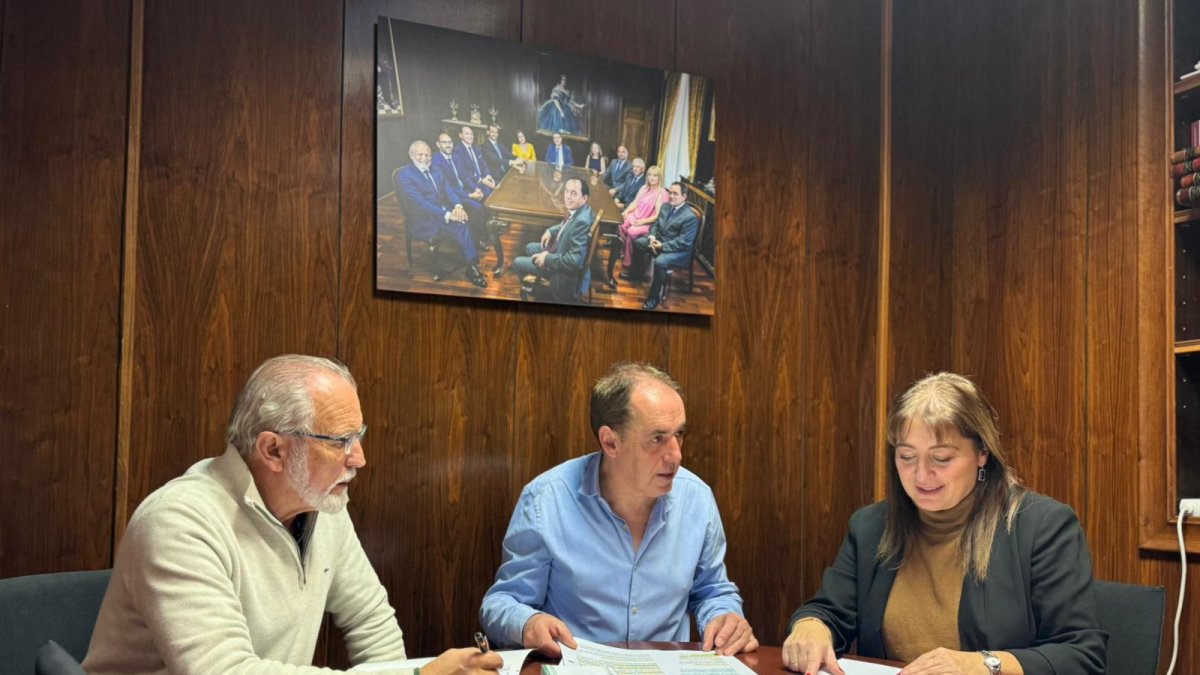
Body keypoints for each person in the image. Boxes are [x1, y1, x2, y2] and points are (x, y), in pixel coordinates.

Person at [83, 355, 504, 675]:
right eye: (339, 441)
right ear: (273, 450)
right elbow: (226, 672)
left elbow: (370, 620)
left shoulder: (323, 504)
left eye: (358, 436)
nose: (358, 458)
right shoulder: (179, 522)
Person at [782, 373, 1106, 675]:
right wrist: (811, 626)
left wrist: (980, 665)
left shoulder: (1041, 527)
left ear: (982, 453)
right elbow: (829, 611)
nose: (922, 475)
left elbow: (1080, 655)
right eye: (907, 457)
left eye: (941, 458)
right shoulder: (871, 527)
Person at [479, 363, 758, 658]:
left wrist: (724, 618)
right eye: (657, 438)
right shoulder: (545, 501)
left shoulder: (696, 499)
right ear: (611, 442)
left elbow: (712, 591)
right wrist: (528, 622)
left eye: (679, 434)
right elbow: (502, 602)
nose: (676, 455)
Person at [393, 141, 489, 288]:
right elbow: (420, 203)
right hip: (424, 220)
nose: (424, 158)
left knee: (466, 216)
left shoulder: (436, 169)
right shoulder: (404, 175)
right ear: (411, 155)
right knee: (461, 223)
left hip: (442, 211)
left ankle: (471, 265)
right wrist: (448, 214)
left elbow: (449, 190)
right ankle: (472, 264)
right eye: (420, 154)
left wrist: (458, 206)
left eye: (427, 154)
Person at [510, 177, 593, 303]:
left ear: (584, 198)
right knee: (529, 247)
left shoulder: (582, 221)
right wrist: (550, 231)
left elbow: (574, 262)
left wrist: (547, 258)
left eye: (574, 193)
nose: (568, 197)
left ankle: (533, 288)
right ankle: (537, 281)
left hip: (562, 271)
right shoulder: (582, 210)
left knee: (516, 262)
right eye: (566, 191)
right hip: (560, 251)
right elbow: (564, 226)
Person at [629, 183, 699, 310]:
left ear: (684, 197)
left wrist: (662, 246)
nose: (671, 196)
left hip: (679, 251)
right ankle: (638, 274)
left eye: (675, 194)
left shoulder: (690, 217)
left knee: (660, 262)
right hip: (660, 240)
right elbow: (656, 224)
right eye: (670, 192)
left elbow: (684, 242)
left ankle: (653, 298)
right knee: (638, 243)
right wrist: (651, 237)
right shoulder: (665, 206)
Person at [606, 165, 667, 289]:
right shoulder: (644, 188)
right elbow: (635, 203)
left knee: (632, 232)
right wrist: (626, 211)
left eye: (655, 175)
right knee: (621, 225)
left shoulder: (661, 193)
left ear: (659, 177)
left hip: (648, 222)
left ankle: (628, 262)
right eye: (650, 175)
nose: (652, 178)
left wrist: (642, 221)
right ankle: (622, 251)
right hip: (636, 215)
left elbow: (657, 216)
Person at [433, 132, 490, 253]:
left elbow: (464, 177)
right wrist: (470, 195)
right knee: (477, 207)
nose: (448, 145)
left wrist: (475, 188)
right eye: (444, 142)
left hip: (464, 189)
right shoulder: (436, 161)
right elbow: (447, 188)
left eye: (450, 142)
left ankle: (483, 234)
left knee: (485, 196)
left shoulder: (455, 157)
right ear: (438, 144)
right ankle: (476, 240)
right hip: (451, 196)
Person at [453, 125, 496, 196]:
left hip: (484, 179)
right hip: (472, 183)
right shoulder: (457, 151)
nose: (470, 136)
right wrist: (481, 180)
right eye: (467, 134)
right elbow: (463, 173)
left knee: (500, 186)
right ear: (460, 135)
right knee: (491, 194)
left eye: (471, 134)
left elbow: (484, 165)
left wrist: (488, 176)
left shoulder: (476, 148)